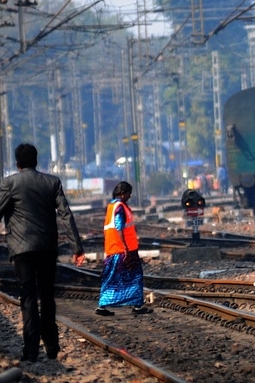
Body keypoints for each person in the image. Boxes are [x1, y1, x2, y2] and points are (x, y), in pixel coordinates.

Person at [0, 143, 85, 363]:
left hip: (22, 251)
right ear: (36, 161)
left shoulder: (9, 184)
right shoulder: (52, 182)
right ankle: (51, 344)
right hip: (47, 248)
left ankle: (30, 351)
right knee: (47, 295)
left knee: (27, 297)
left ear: (17, 163)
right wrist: (77, 247)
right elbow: (66, 215)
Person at [96, 181, 153, 316]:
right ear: (122, 194)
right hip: (122, 251)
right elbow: (119, 227)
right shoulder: (120, 207)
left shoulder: (112, 206)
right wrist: (125, 248)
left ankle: (104, 306)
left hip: (114, 250)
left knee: (112, 278)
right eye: (128, 194)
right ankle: (136, 306)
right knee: (134, 277)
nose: (129, 196)